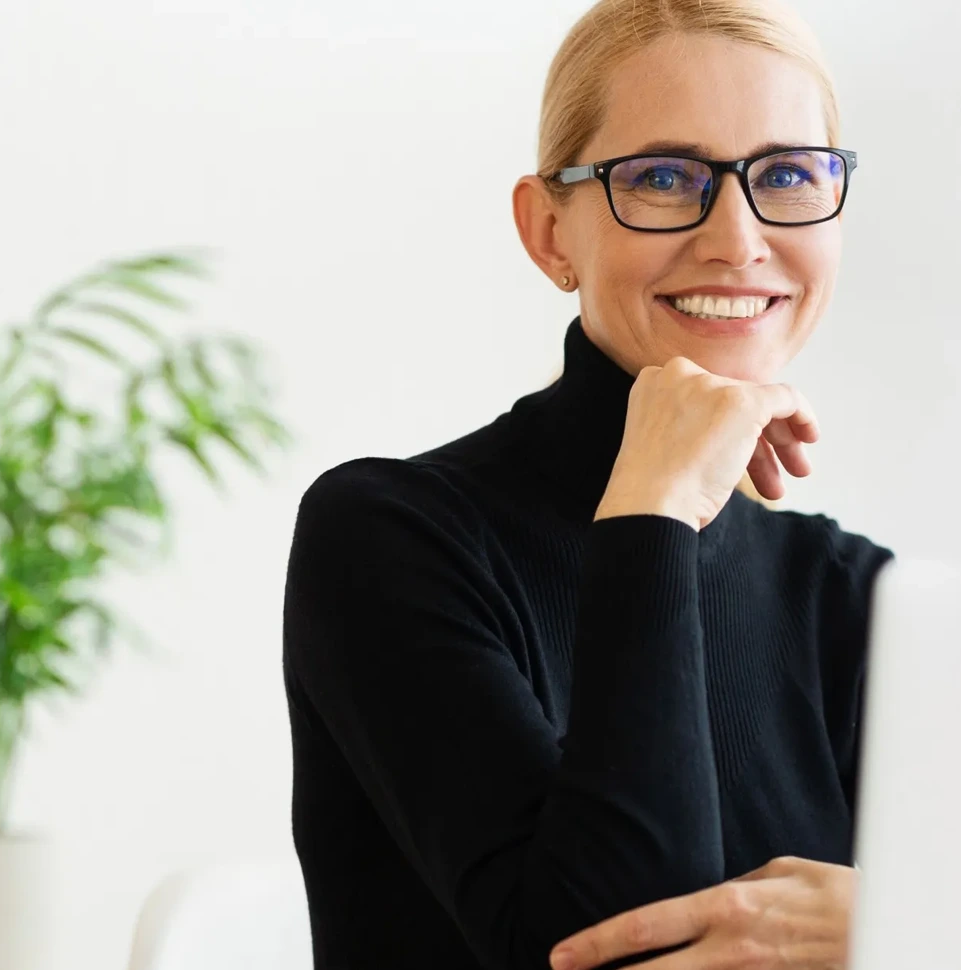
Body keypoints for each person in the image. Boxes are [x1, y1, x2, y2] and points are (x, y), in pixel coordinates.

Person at [282, 1, 892, 967]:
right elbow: (601, 950)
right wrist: (649, 511)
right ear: (550, 232)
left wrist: (911, 929)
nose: (737, 239)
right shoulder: (384, 538)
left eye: (785, 174)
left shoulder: (856, 594)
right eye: (661, 177)